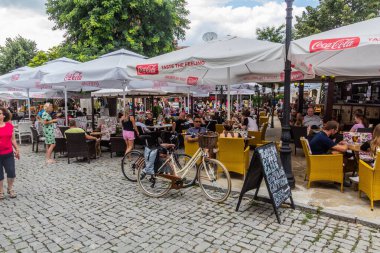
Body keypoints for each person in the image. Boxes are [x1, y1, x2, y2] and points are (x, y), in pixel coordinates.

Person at [0, 107, 20, 199]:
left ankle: (10, 188)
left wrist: (17, 149)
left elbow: (13, 139)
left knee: (11, 172)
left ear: (3, 115)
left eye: (0, 113)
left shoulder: (9, 126)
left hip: (8, 153)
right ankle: (0, 191)